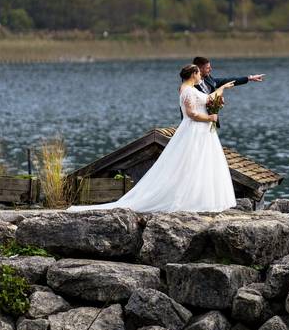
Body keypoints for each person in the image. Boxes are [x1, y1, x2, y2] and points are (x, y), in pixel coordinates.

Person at [68, 64, 236, 213]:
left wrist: (222, 89)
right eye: (199, 73)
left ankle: (199, 197)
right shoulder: (188, 91)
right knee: (191, 162)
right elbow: (191, 114)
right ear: (193, 74)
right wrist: (210, 118)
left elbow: (208, 99)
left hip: (200, 132)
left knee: (200, 162)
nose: (201, 76)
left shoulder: (187, 89)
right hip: (194, 130)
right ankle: (190, 198)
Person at [192, 56, 264, 128]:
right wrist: (221, 89)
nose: (211, 69)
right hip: (196, 123)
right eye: (208, 68)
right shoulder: (190, 85)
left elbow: (226, 81)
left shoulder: (208, 77)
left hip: (210, 121)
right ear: (199, 69)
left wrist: (249, 78)